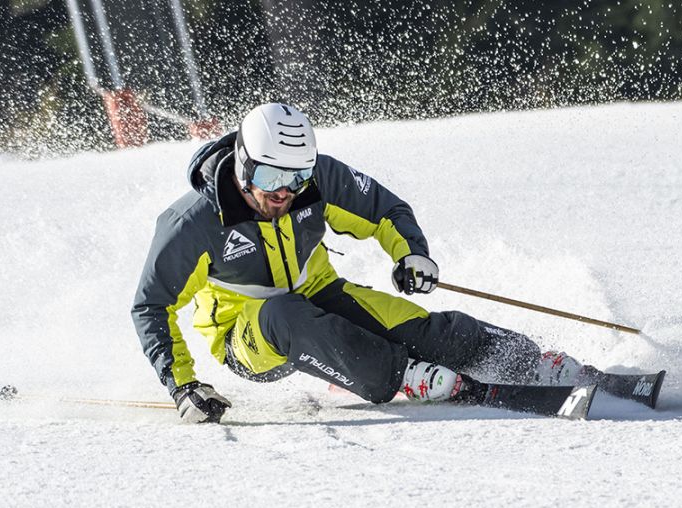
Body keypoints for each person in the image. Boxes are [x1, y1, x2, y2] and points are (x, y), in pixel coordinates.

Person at [132, 103, 590, 423]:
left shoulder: (315, 181)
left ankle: (532, 361)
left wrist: (411, 253)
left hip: (320, 292)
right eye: (271, 176)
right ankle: (401, 375)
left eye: (296, 177)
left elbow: (384, 210)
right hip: (247, 334)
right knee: (285, 315)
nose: (284, 192)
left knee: (419, 328)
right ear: (244, 165)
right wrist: (184, 387)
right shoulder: (191, 225)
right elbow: (150, 306)